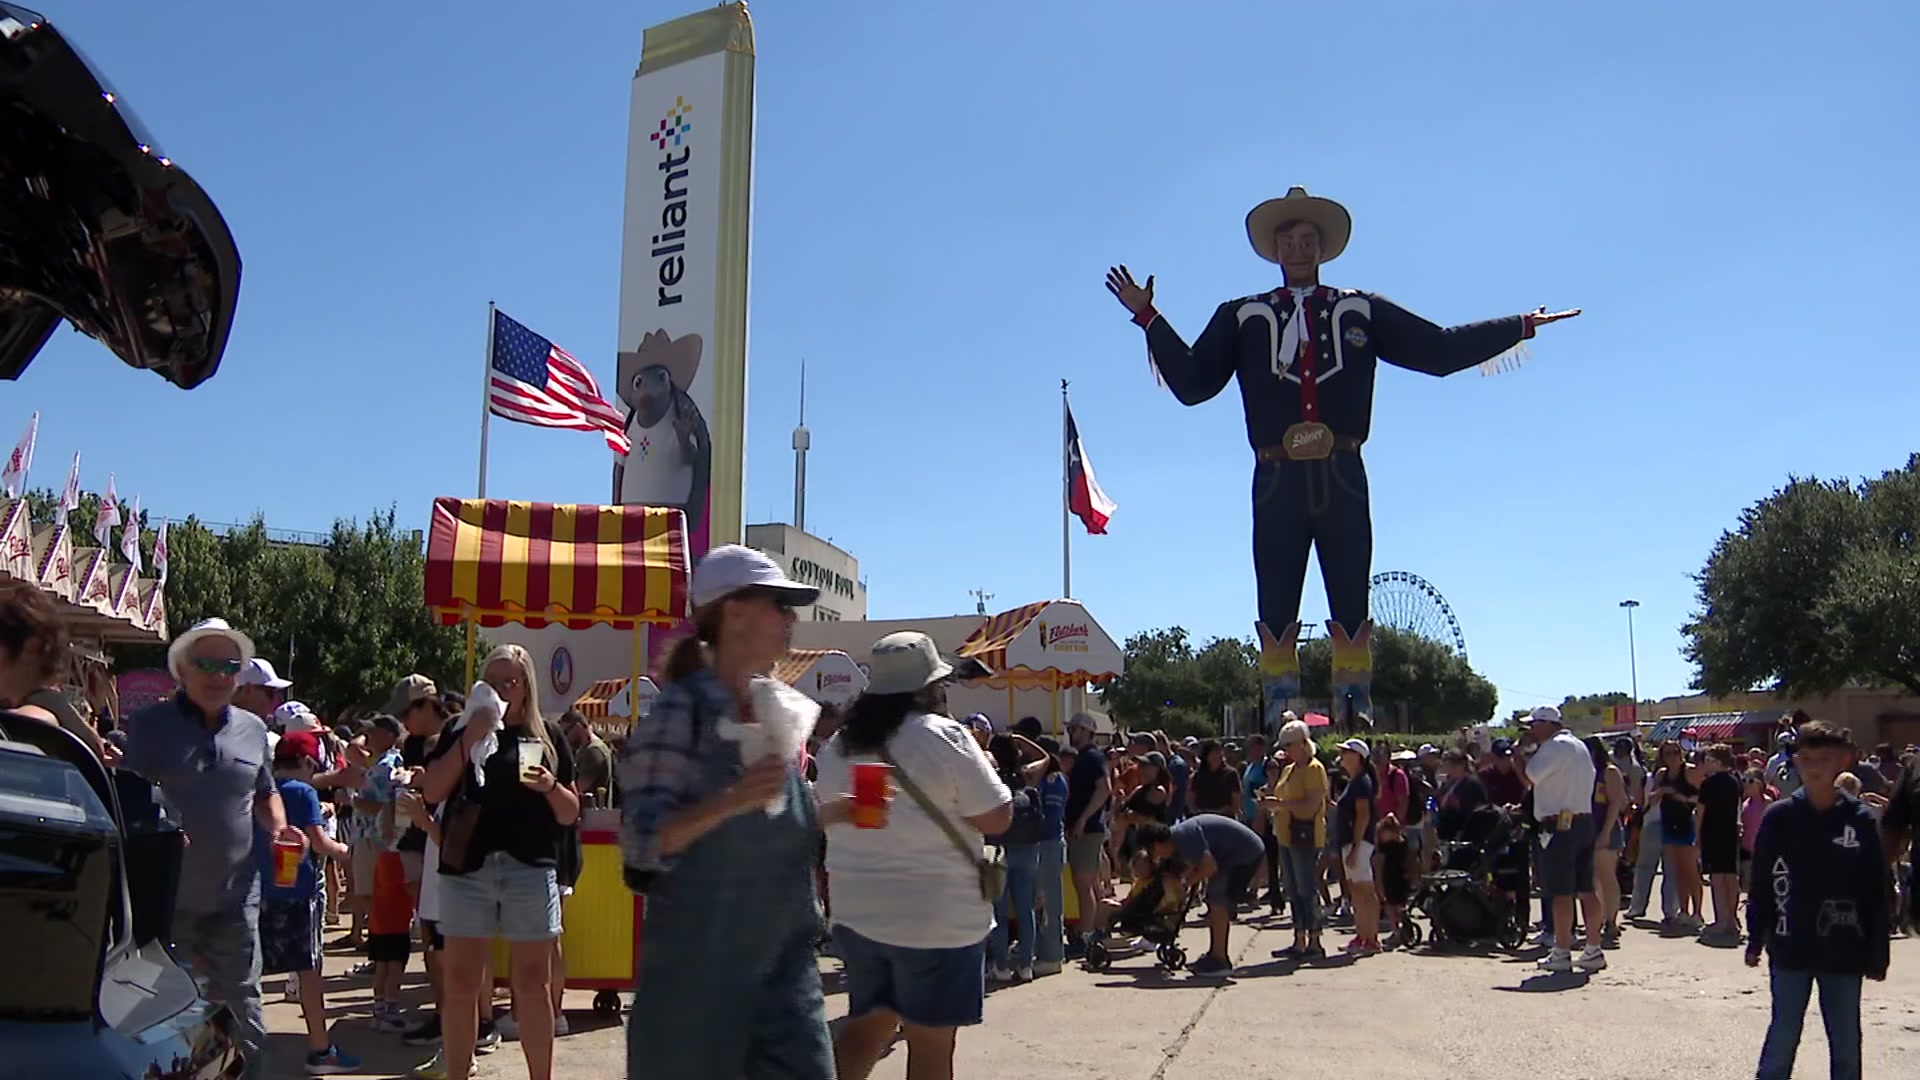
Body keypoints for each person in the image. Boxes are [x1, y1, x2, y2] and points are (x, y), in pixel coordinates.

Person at [1105, 187, 1578, 723]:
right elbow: (1193, 383)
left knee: (1351, 596)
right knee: (1276, 599)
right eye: (1289, 241)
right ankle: (1279, 713)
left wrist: (1518, 325)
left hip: (1343, 470)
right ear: (1274, 250)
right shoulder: (1242, 316)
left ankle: (1356, 712)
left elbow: (1439, 350)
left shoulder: (1360, 309)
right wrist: (1148, 317)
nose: (1299, 249)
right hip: (1276, 473)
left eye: (1308, 240)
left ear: (1323, 249)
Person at [618, 545, 845, 1080]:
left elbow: (778, 827)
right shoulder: (682, 710)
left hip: (785, 983)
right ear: (732, 612)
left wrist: (836, 812)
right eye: (778, 604)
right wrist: (732, 800)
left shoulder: (776, 709)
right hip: (698, 999)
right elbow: (642, 840)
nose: (791, 618)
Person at [820, 631, 1012, 1080]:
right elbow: (997, 818)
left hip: (859, 913)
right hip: (935, 918)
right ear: (928, 688)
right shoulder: (945, 736)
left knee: (867, 1029)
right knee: (931, 1046)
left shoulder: (839, 746)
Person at [120, 619, 301, 1080]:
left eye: (230, 665)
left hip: (236, 895)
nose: (220, 675)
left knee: (244, 1005)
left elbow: (265, 793)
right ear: (181, 669)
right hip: (167, 900)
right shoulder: (147, 726)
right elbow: (128, 795)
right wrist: (157, 826)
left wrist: (280, 828)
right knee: (163, 1010)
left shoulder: (253, 729)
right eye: (208, 663)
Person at [421, 644, 579, 1080]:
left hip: (528, 868)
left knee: (532, 986)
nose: (503, 689)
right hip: (468, 870)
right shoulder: (459, 730)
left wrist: (548, 786)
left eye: (512, 680)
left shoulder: (546, 737)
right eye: (494, 681)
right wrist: (471, 737)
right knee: (461, 985)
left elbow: (569, 813)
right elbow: (432, 792)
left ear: (527, 687)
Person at [1747, 720, 1891, 1080]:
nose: (1814, 767)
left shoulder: (1859, 820)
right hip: (1789, 945)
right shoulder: (1779, 817)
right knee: (1782, 1037)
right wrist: (1755, 937)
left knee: (1844, 1042)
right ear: (1795, 762)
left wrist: (1878, 950)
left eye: (1824, 759)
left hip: (1844, 949)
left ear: (1843, 762)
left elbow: (1876, 887)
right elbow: (1762, 880)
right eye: (1806, 758)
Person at [258, 730, 358, 1074]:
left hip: (260, 892)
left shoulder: (263, 790)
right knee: (309, 973)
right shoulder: (303, 793)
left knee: (251, 972)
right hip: (298, 893)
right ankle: (320, 1048)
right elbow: (318, 842)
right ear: (305, 762)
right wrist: (347, 853)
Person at [1522, 706, 1605, 972]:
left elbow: (1530, 775)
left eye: (1534, 725)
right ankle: (1594, 947)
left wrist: (1522, 753)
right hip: (1582, 820)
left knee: (1560, 891)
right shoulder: (1579, 746)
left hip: (1558, 824)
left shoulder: (1552, 747)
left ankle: (1561, 950)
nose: (1531, 730)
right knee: (1586, 888)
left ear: (1546, 724)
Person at [1133, 814, 1264, 974]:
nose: (1157, 857)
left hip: (1244, 853)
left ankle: (1220, 960)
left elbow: (1209, 867)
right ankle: (1214, 954)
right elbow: (1199, 861)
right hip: (1233, 852)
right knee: (1214, 900)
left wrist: (1186, 883)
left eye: (1153, 851)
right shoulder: (1179, 838)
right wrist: (1189, 878)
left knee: (1217, 902)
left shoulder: (1184, 838)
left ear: (1157, 844)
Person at [1061, 712, 1111, 954]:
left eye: (1076, 729)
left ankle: (1086, 937)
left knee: (1083, 884)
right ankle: (1093, 931)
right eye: (1071, 729)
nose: (1072, 733)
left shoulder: (1091, 757)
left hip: (1087, 829)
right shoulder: (1085, 757)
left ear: (1088, 732)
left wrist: (1082, 819)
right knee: (1089, 883)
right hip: (1087, 828)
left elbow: (1104, 789)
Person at [1333, 738, 1381, 954]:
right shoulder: (1355, 781)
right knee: (1356, 889)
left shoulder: (1362, 782)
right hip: (1352, 841)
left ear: (1358, 757)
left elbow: (1363, 816)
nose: (1342, 756)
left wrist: (1354, 847)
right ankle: (1362, 935)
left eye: (1346, 752)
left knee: (1364, 889)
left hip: (1359, 842)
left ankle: (1371, 938)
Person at [1650, 741, 1705, 931]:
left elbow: (1702, 798)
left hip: (1687, 822)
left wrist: (1681, 796)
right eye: (1668, 754)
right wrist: (1660, 792)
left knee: (1691, 871)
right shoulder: (1662, 775)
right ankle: (1684, 910)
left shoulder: (1689, 771)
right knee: (1677, 871)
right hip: (1668, 823)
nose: (1672, 757)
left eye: (1675, 753)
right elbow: (1652, 798)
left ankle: (1698, 912)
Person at [1584, 735, 1629, 946]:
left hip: (1607, 828)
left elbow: (1615, 804)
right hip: (1588, 829)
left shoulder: (1609, 772)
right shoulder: (1586, 773)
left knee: (1606, 876)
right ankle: (1598, 920)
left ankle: (1611, 920)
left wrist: (1605, 833)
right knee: (1592, 880)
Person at [1699, 743, 1745, 941]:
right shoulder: (1735, 781)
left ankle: (1722, 920)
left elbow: (1700, 811)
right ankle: (1731, 918)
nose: (1706, 764)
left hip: (1713, 832)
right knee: (1730, 876)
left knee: (1718, 878)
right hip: (1730, 832)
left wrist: (1696, 835)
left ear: (1718, 762)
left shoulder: (1709, 784)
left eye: (1709, 760)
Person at [559, 708, 614, 806]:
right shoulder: (588, 749)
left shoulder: (594, 751)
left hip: (594, 816)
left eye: (566, 732)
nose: (565, 738)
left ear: (577, 727)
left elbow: (578, 788)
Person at [1189, 740, 1240, 817]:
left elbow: (1236, 801)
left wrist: (1224, 811)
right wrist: (1196, 812)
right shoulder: (1198, 775)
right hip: (1202, 818)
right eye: (1214, 752)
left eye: (1220, 752)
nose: (1218, 755)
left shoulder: (1231, 774)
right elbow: (1191, 799)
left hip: (1224, 819)